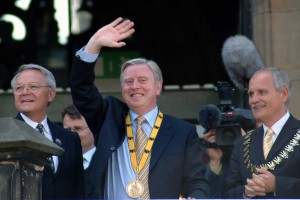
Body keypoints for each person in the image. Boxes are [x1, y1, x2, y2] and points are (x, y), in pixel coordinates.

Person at [70, 17, 209, 199]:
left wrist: (197, 197)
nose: (135, 86)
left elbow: (196, 181)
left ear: (158, 87)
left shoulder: (183, 132)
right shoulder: (107, 118)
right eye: (128, 81)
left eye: (143, 80)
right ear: (122, 88)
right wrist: (93, 45)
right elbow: (81, 88)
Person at [11, 64, 85, 199]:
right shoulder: (6, 136)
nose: (25, 92)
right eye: (19, 88)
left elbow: (78, 190)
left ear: (51, 94)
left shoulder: (70, 138)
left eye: (33, 87)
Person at [227, 67, 300, 198]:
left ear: (283, 94)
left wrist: (277, 185)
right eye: (251, 94)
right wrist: (246, 192)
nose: (253, 100)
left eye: (262, 92)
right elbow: (228, 193)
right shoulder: (242, 144)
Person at [62, 104, 99, 198]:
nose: (72, 134)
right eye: (68, 129)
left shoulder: (108, 162)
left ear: (92, 127)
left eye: (78, 129)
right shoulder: (56, 161)